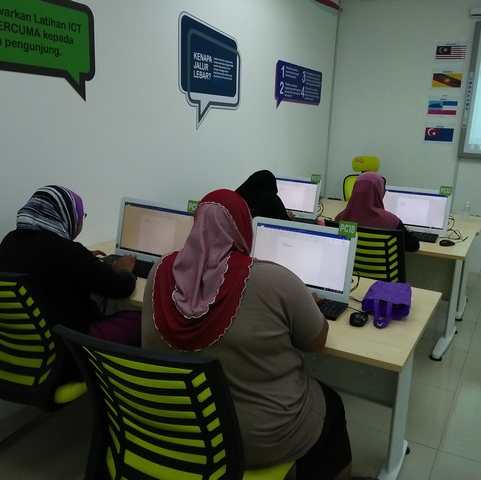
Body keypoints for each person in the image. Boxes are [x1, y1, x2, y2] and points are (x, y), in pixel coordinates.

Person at [142, 189, 367, 480]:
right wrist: (304, 305)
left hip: (175, 426)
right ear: (243, 229)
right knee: (331, 405)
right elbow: (316, 341)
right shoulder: (275, 279)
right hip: (256, 441)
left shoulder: (159, 270)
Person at [0, 185, 141, 347]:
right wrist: (124, 269)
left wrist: (85, 259)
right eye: (81, 217)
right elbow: (121, 288)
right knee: (142, 321)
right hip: (69, 340)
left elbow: (45, 264)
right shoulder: (68, 252)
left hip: (22, 338)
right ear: (68, 217)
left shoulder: (9, 241)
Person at [335, 171, 420, 252]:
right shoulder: (391, 221)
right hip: (380, 263)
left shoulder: (340, 218)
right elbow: (413, 245)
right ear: (380, 191)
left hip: (353, 263)